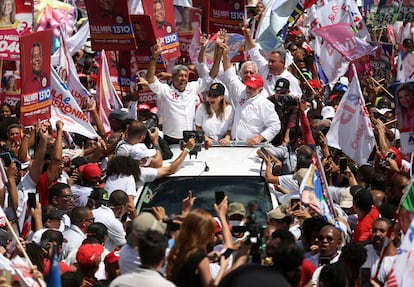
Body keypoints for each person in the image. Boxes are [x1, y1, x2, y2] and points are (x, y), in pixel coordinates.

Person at [146, 43, 212, 144]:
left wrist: (219, 54)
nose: (183, 79)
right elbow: (150, 79)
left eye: (186, 76)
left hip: (189, 139)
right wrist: (154, 57)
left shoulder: (193, 87)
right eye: (180, 76)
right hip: (171, 140)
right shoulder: (165, 90)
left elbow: (211, 76)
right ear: (172, 77)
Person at [217, 42, 281, 146]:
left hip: (253, 146)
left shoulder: (264, 102)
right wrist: (225, 53)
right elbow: (230, 74)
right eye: (248, 86)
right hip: (235, 144)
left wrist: (260, 138)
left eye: (252, 88)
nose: (249, 89)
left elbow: (275, 125)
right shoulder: (241, 91)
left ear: (260, 90)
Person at [167, 208, 230, 287]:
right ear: (203, 232)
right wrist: (223, 268)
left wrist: (207, 258)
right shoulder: (200, 257)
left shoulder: (177, 251)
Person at [241, 23, 302, 99]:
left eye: (273, 62)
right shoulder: (265, 68)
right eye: (269, 61)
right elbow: (254, 52)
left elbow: (297, 98)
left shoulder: (291, 79)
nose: (269, 64)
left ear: (282, 63)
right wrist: (246, 33)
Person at [195, 83, 234, 147]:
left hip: (222, 145)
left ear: (222, 97)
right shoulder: (202, 107)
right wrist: (205, 138)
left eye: (215, 95)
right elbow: (197, 127)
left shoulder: (229, 109)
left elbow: (229, 130)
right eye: (209, 94)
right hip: (206, 144)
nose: (211, 98)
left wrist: (227, 138)